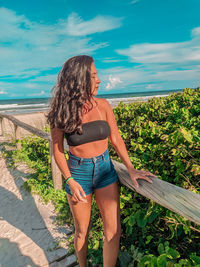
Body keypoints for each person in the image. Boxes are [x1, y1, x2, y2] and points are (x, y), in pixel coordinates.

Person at [47, 55, 157, 267]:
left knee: (113, 232)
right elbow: (58, 150)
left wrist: (131, 168)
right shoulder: (61, 112)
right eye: (94, 76)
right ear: (79, 79)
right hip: (78, 173)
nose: (99, 80)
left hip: (106, 170)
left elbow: (115, 138)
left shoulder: (103, 105)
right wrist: (69, 179)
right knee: (82, 231)